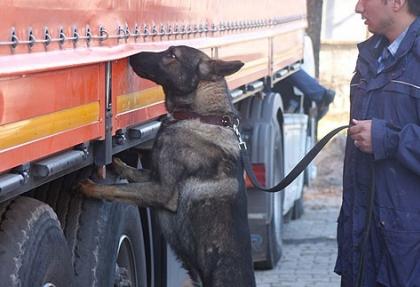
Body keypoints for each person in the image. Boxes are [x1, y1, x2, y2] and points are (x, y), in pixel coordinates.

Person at [335, 0, 420, 286]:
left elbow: (384, 137)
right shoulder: (371, 57)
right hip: (363, 245)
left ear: (397, 2)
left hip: (406, 257)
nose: (358, 7)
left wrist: (389, 140)